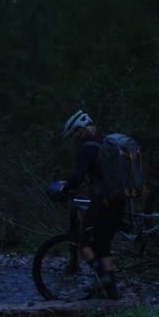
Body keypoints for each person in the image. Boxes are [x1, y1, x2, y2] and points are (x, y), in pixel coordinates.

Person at [59, 109, 121, 300]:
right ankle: (110, 289)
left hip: (102, 200)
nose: (74, 139)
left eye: (74, 134)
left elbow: (78, 177)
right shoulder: (106, 143)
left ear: (80, 131)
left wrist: (65, 188)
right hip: (119, 199)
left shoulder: (87, 148)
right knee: (104, 244)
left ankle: (101, 278)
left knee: (84, 242)